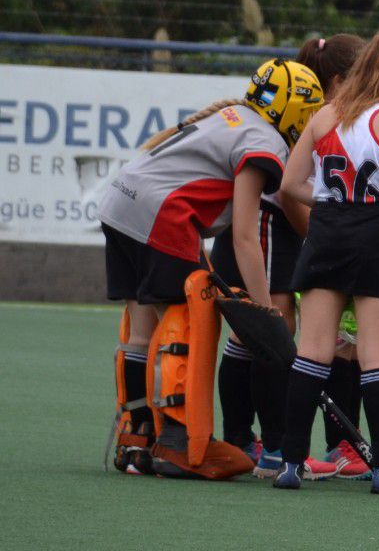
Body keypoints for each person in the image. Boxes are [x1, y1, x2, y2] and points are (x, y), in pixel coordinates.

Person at [101, 58, 309, 479]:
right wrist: (267, 311)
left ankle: (136, 439)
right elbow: (246, 236)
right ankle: (177, 442)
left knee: (141, 333)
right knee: (186, 324)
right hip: (163, 214)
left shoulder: (231, 115)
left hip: (119, 203)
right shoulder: (265, 140)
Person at [274, 31, 379, 495]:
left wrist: (327, 202)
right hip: (375, 234)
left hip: (327, 234)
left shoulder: (326, 117)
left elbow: (289, 184)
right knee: (376, 354)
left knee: (312, 350)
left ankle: (290, 462)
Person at [210, 35, 367, 481]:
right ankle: (274, 449)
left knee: (249, 338)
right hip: (268, 229)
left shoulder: (314, 113)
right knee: (270, 332)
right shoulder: (311, 117)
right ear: (337, 82)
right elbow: (289, 193)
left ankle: (244, 439)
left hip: (266, 229)